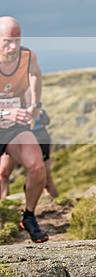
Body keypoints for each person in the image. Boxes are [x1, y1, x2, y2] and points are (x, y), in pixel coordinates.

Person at [0, 16, 49, 242]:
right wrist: (5, 113)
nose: (14, 47)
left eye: (17, 40)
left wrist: (35, 105)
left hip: (14, 127)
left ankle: (28, 216)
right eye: (8, 41)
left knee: (37, 167)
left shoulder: (27, 56)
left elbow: (35, 74)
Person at [0, 103, 58, 201]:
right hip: (13, 137)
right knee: (3, 173)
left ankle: (54, 203)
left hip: (38, 137)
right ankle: (3, 204)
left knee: (46, 177)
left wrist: (36, 111)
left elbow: (46, 119)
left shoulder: (32, 97)